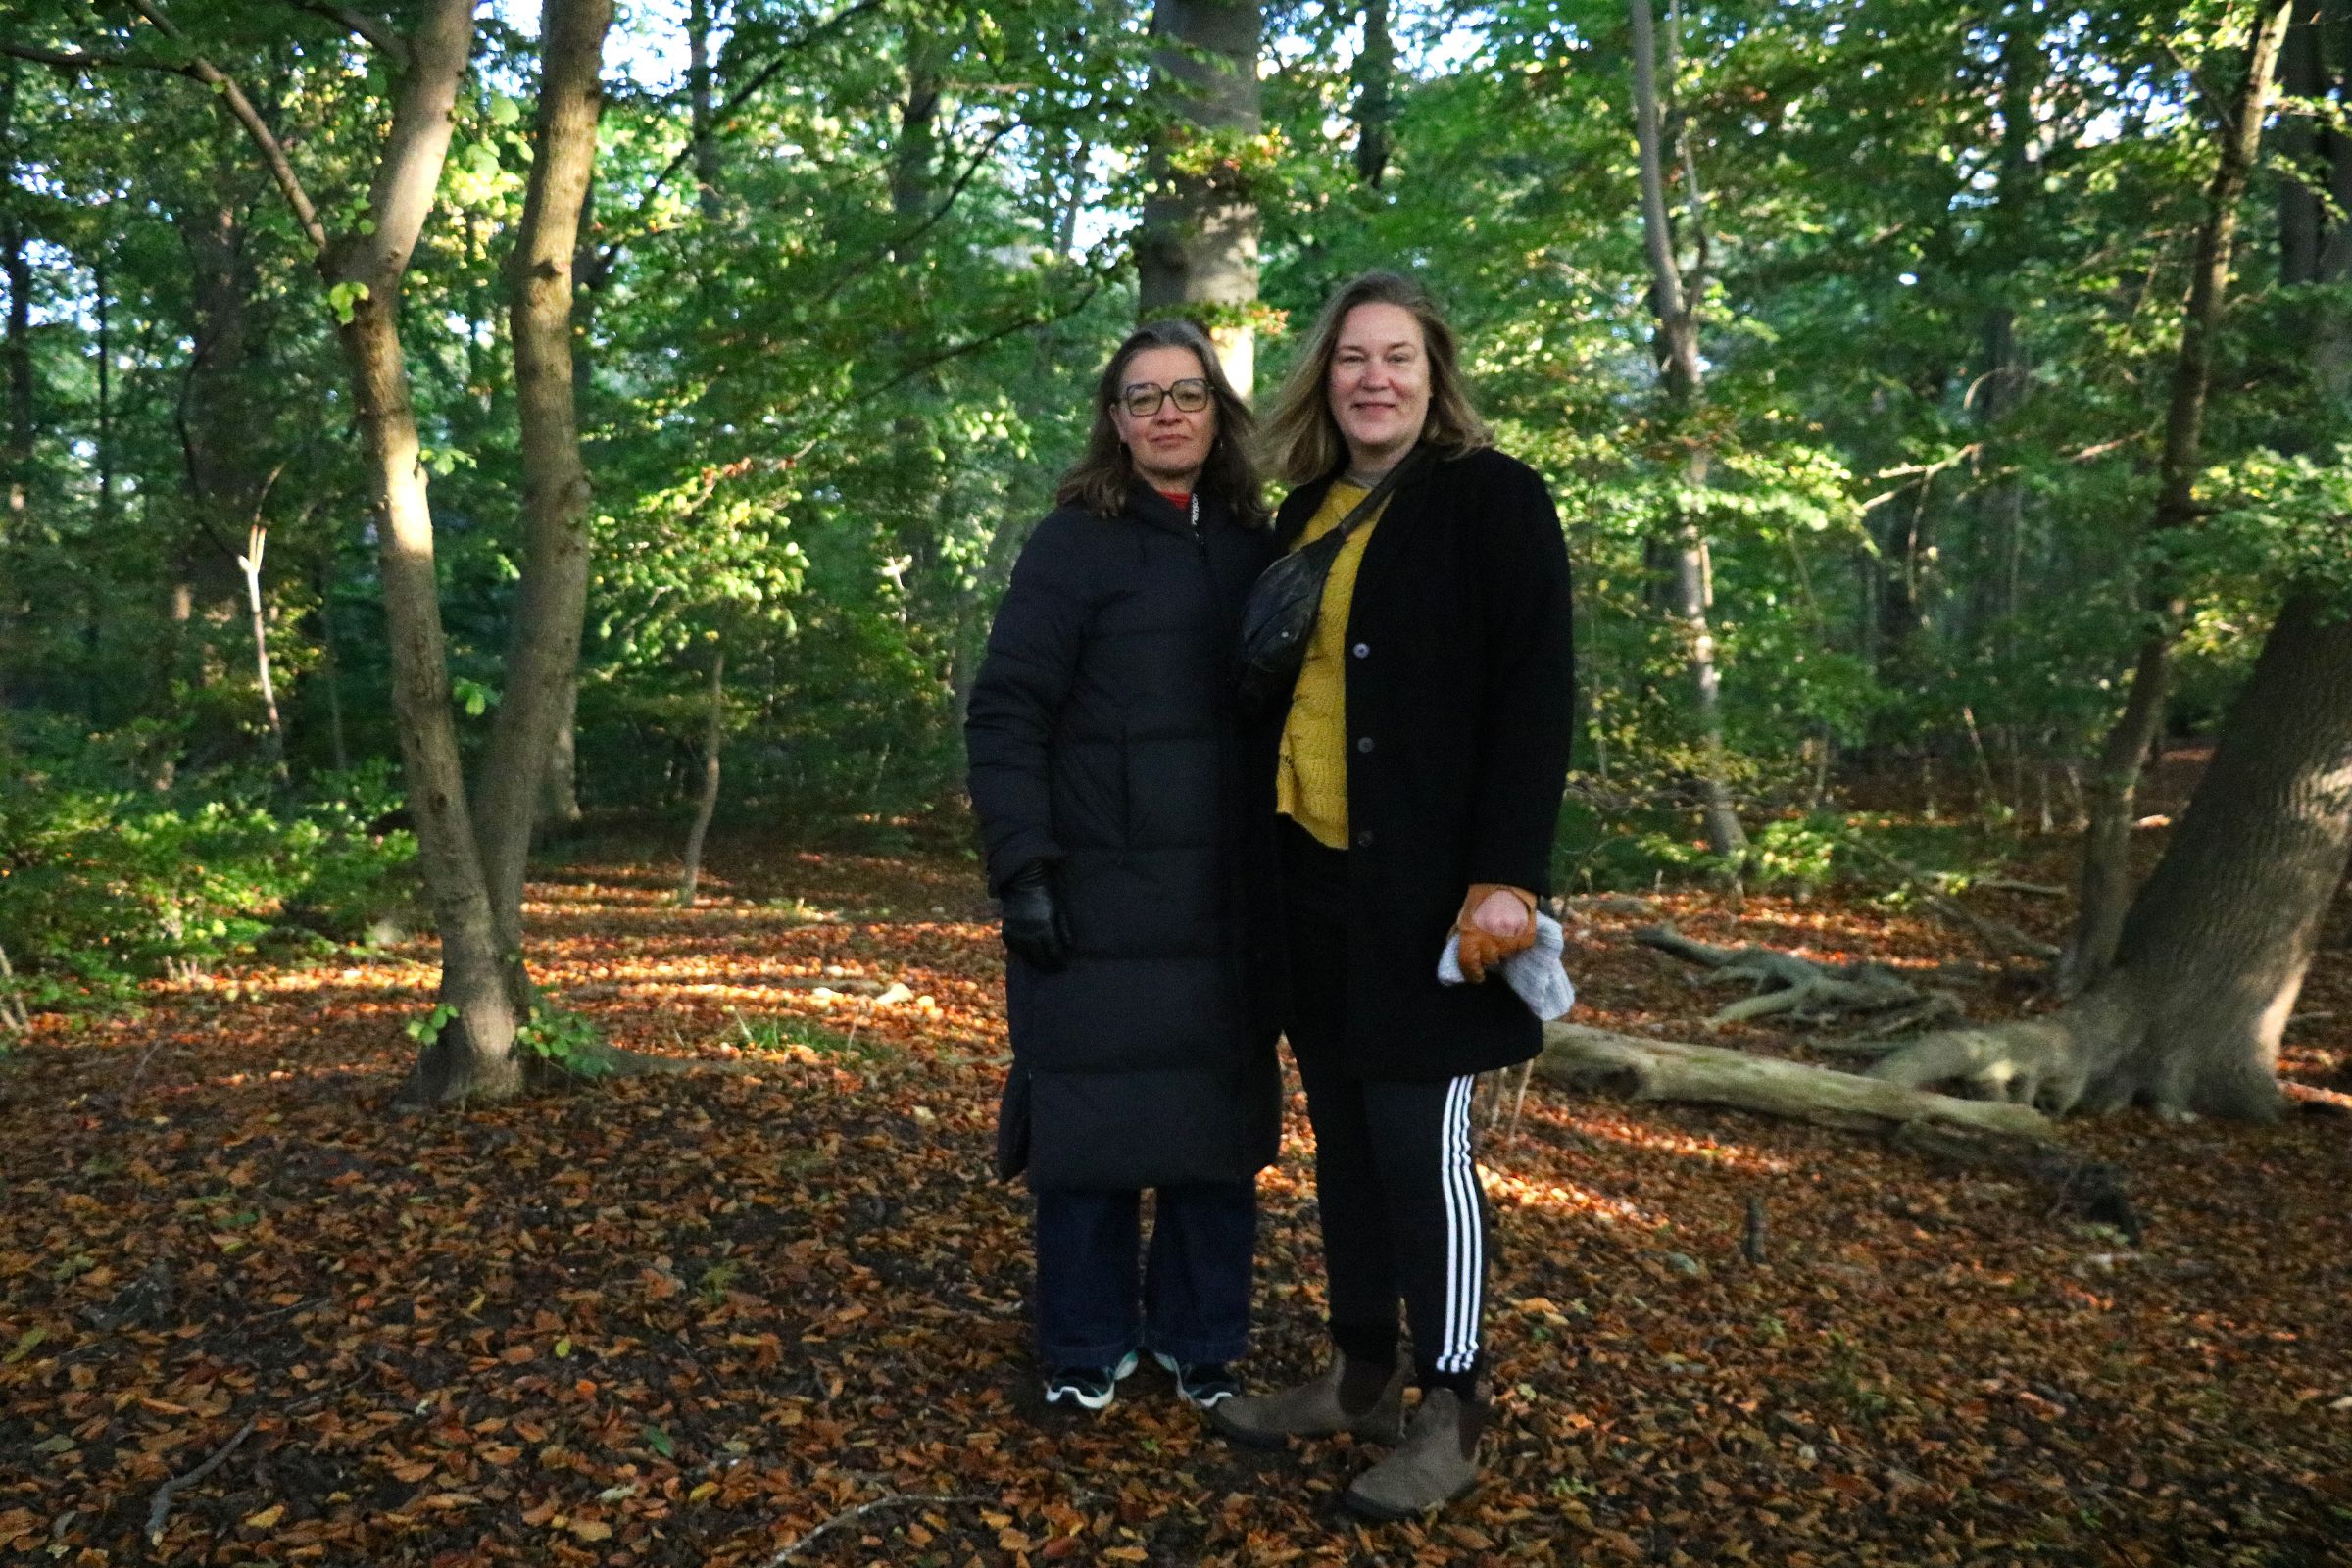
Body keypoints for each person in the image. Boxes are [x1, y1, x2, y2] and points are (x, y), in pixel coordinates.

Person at [1207, 271, 1575, 1518]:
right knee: (1349, 1147)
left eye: (1398, 358)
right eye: (1353, 358)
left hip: (1435, 897)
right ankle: (1360, 1371)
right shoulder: (1303, 510)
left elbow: (1535, 693)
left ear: (1434, 375)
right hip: (1307, 880)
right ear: (1326, 378)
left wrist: (1507, 876)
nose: (1375, 378)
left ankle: (1452, 1406)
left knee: (1425, 1150)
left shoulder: (1493, 498)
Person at [964, 320, 1283, 1414]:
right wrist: (1023, 868)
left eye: (1186, 393)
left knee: (1215, 1132)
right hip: (1094, 896)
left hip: (1226, 899)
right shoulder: (1073, 544)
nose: (1166, 414)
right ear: (1115, 420)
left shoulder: (1257, 544)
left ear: (1218, 412)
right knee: (1089, 1130)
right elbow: (1006, 712)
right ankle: (1084, 1344)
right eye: (1143, 397)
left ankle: (1201, 1341)